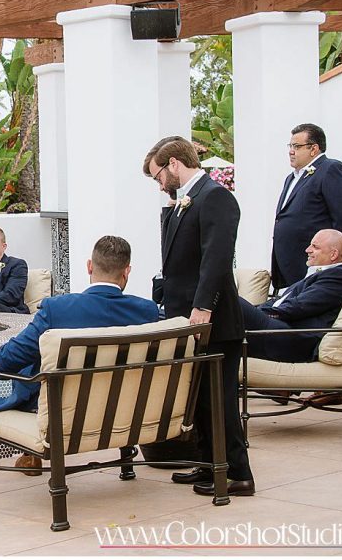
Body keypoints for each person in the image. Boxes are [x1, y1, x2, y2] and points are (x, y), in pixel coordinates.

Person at [0, 236, 158, 474]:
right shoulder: (147, 311)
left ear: (89, 267)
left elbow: (16, 353)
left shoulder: (58, 308)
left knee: (31, 359)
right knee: (40, 357)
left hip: (67, 420)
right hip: (127, 416)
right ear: (127, 271)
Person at [144, 135, 254, 497]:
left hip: (214, 320)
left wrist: (203, 306)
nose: (159, 185)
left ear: (174, 164)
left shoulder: (216, 197)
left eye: (158, 176)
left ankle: (237, 473)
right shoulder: (184, 201)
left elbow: (216, 259)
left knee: (219, 399)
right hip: (187, 316)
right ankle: (208, 463)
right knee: (200, 397)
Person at [273, 123, 342, 290]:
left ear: (314, 149)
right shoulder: (291, 178)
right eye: (290, 146)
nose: (291, 151)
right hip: (293, 264)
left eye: (297, 146)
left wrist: (338, 261)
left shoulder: (331, 169)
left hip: (320, 265)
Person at [243, 229, 342, 362]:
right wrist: (256, 312)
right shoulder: (318, 275)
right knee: (227, 324)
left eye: (315, 246)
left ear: (333, 254)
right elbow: (278, 301)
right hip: (281, 330)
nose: (307, 250)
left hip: (294, 339)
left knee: (231, 301)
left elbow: (298, 306)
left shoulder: (339, 277)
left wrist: (260, 314)